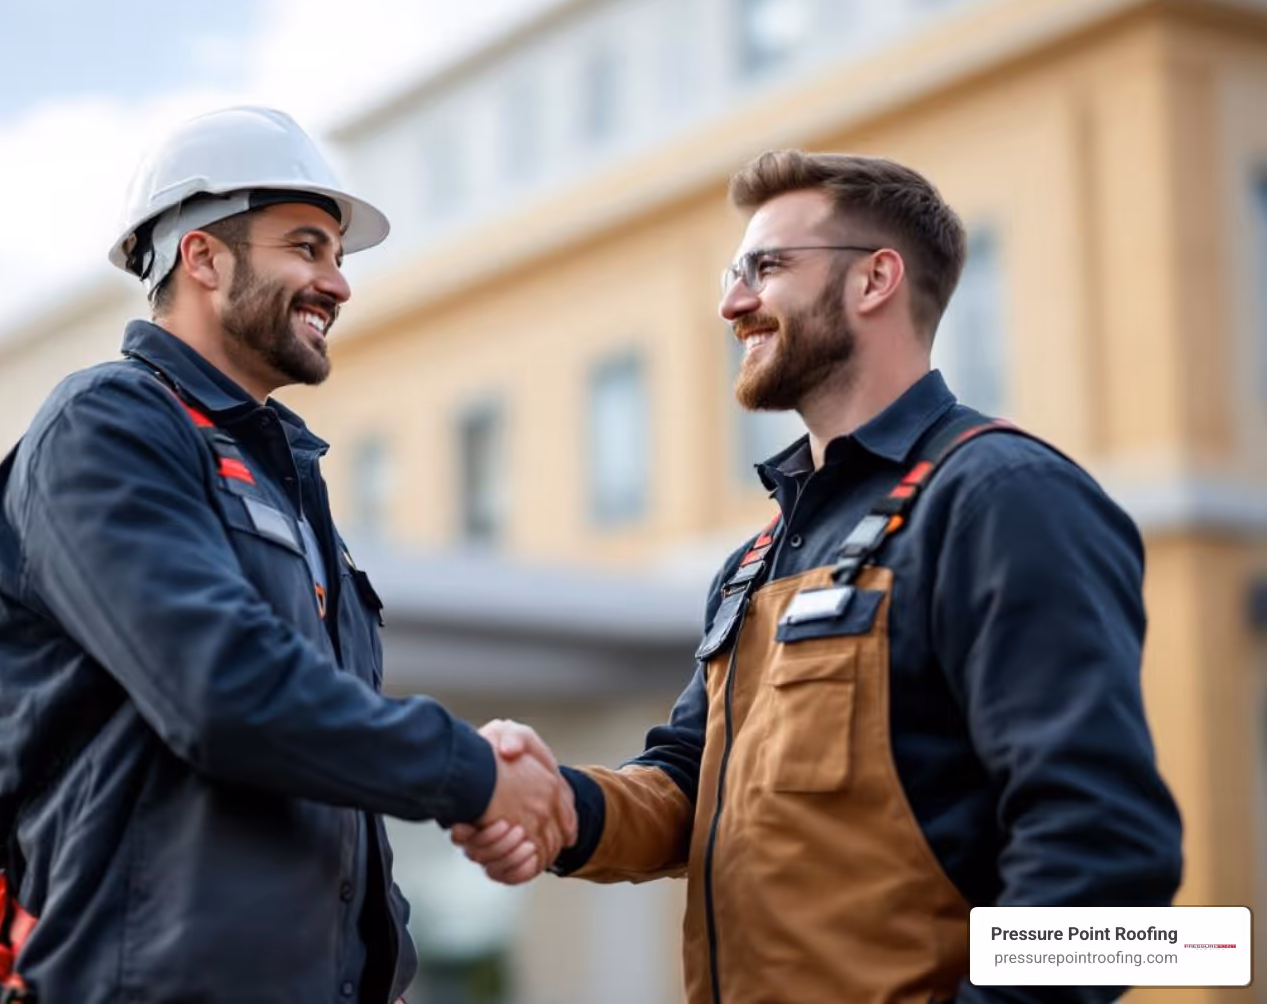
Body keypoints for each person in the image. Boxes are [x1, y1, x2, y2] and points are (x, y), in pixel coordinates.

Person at [455, 150, 1183, 1003]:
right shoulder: (758, 558)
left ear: (875, 279)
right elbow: (693, 783)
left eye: (766, 268)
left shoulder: (1001, 499)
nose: (732, 303)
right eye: (735, 273)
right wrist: (559, 808)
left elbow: (1110, 849)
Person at [0, 106, 574, 1004]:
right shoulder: (107, 425)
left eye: (339, 257)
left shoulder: (285, 477)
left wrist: (382, 960)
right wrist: (471, 773)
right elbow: (225, 692)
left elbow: (318, 774)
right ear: (202, 258)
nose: (337, 283)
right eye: (307, 246)